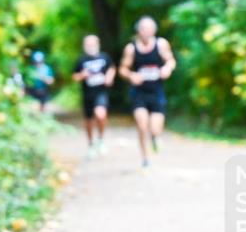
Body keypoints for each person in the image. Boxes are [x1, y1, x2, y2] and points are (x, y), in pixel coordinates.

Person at [119, 16, 176, 168]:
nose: (146, 31)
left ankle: (155, 138)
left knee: (155, 129)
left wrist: (167, 68)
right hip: (139, 93)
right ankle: (145, 158)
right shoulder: (131, 49)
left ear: (154, 30)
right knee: (142, 126)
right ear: (139, 30)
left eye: (150, 29)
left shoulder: (161, 44)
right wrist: (131, 75)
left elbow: (171, 60)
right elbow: (122, 69)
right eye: (143, 28)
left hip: (156, 92)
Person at [73, 34, 116, 158]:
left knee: (100, 114)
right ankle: (91, 144)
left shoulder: (104, 57)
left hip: (101, 92)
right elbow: (74, 77)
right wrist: (82, 75)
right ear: (84, 46)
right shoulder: (81, 60)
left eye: (93, 44)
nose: (91, 46)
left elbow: (112, 68)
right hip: (87, 94)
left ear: (98, 44)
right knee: (89, 121)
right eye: (88, 44)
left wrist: (109, 77)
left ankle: (101, 139)